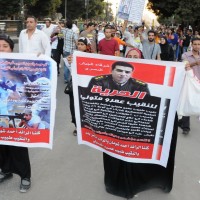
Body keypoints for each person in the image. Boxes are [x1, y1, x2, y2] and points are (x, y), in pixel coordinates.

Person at [98, 50, 178, 199]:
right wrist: (73, 63)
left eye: (136, 57)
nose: (133, 59)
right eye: (130, 57)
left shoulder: (141, 82)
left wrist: (182, 71)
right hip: (116, 125)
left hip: (136, 125)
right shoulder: (105, 80)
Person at [0, 34, 31, 193]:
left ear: (11, 49)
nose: (1, 49)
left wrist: (39, 59)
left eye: (5, 46)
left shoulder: (20, 67)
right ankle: (5, 170)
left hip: (15, 113)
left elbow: (27, 89)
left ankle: (25, 176)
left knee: (18, 145)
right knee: (2, 145)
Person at [65, 37, 92, 136]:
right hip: (74, 84)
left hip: (86, 86)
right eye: (79, 44)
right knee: (73, 106)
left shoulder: (91, 57)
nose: (80, 46)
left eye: (82, 44)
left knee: (85, 106)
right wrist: (69, 61)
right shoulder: (73, 56)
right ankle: (77, 126)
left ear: (86, 46)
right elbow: (70, 69)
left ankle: (86, 125)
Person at [178, 37, 200, 135]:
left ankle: (181, 121)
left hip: (198, 83)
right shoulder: (185, 55)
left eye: (199, 44)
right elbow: (184, 66)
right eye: (195, 44)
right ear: (191, 44)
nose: (197, 46)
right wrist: (195, 63)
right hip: (188, 83)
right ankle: (186, 127)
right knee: (188, 102)